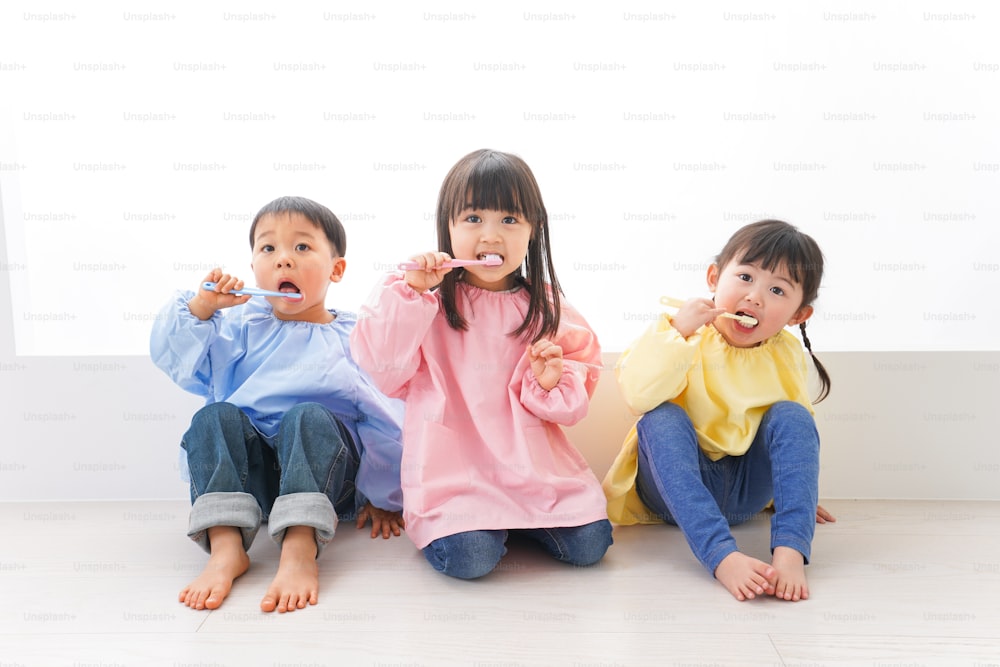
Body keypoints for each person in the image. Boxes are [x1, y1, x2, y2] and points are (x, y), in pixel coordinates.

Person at [350, 149, 612, 579]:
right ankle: (488, 526)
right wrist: (408, 293)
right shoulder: (425, 303)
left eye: (509, 220)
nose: (491, 236)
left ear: (533, 230)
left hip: (536, 474)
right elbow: (382, 368)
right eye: (473, 219)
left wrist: (549, 382)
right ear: (447, 227)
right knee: (471, 558)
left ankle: (515, 520)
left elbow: (575, 396)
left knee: (591, 545)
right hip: (456, 480)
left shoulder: (545, 307)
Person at [150, 196, 405, 613]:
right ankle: (226, 547)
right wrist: (203, 308)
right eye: (269, 249)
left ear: (336, 269)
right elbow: (175, 357)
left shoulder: (353, 337)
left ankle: (300, 545)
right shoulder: (237, 326)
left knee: (307, 415)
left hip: (323, 483)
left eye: (302, 247)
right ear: (254, 268)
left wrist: (383, 495)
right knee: (212, 416)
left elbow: (381, 415)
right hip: (251, 483)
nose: (283, 260)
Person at [603, 219, 835, 602]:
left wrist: (796, 493)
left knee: (794, 415)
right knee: (660, 419)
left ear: (798, 315)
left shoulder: (786, 352)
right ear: (714, 277)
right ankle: (721, 554)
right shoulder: (682, 333)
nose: (755, 297)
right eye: (745, 277)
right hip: (675, 490)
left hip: (746, 491)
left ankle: (790, 552)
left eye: (777, 290)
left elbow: (792, 436)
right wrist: (678, 332)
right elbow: (638, 396)